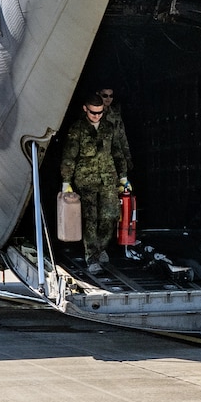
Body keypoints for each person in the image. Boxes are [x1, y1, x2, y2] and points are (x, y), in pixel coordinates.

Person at [58, 92, 125, 271]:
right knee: (90, 219)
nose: (97, 116)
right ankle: (92, 258)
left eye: (100, 112)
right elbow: (69, 156)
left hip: (108, 178)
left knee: (110, 215)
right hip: (86, 180)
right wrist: (66, 181)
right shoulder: (77, 129)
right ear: (85, 109)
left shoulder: (108, 128)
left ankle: (101, 247)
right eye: (93, 112)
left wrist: (123, 176)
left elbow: (117, 152)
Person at [95, 85, 133, 183]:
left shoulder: (115, 114)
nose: (108, 98)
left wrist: (127, 157)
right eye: (105, 95)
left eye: (111, 96)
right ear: (98, 94)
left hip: (116, 157)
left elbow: (122, 136)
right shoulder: (93, 114)